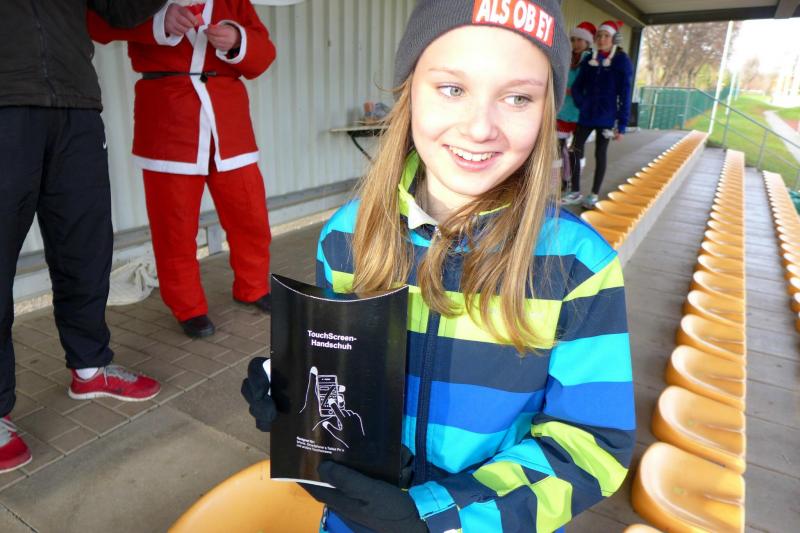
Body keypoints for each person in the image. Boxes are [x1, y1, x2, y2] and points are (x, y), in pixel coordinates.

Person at [242, 1, 635, 531]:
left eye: (517, 97)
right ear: (410, 92)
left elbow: (593, 445)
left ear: (547, 111)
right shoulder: (346, 235)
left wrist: (435, 516)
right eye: (452, 88)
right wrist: (293, 393)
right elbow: (339, 372)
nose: (480, 128)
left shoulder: (577, 265)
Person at [0, 1, 165, 474]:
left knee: (86, 247)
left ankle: (90, 367)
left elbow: (121, 10)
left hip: (74, 103)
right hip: (6, 99)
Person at [87, 0, 277, 338]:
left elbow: (263, 56)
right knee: (173, 226)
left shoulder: (235, 2)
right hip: (167, 119)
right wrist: (157, 21)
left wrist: (238, 40)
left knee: (250, 216)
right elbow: (97, 23)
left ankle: (253, 286)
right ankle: (187, 307)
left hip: (229, 122)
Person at [562, 20, 633, 210]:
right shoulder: (589, 60)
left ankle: (593, 194)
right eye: (599, 36)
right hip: (586, 115)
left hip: (607, 117)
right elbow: (577, 86)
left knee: (600, 154)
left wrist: (622, 125)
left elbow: (625, 94)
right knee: (575, 149)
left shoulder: (622, 61)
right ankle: (575, 191)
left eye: (606, 36)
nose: (601, 39)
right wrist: (582, 103)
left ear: (614, 39)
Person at [556, 21, 595, 192]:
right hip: (562, 111)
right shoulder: (566, 58)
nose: (576, 44)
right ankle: (564, 180)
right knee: (559, 148)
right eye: (573, 40)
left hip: (580, 114)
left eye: (580, 40)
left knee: (576, 150)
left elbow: (592, 87)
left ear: (587, 42)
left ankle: (575, 181)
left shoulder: (591, 61)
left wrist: (576, 92)